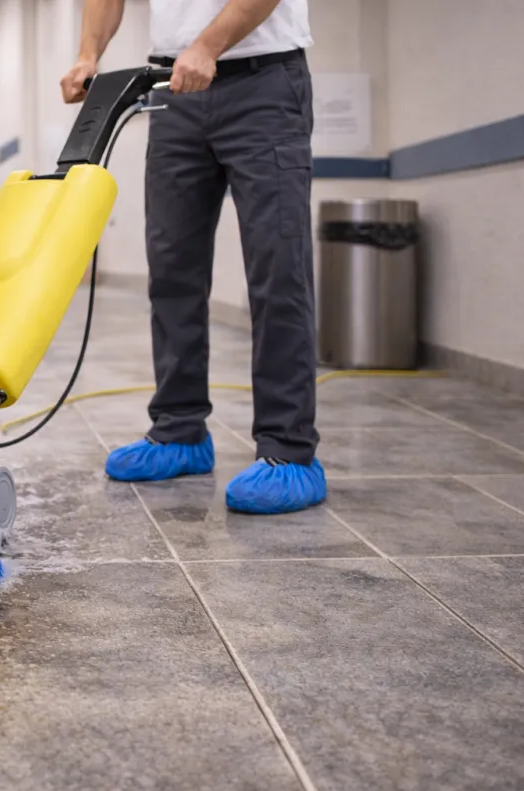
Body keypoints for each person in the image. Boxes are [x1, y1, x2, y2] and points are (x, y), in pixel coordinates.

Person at [61, 0, 326, 514]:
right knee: (171, 269)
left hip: (265, 82)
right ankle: (179, 432)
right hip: (174, 91)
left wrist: (207, 45)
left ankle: (289, 450)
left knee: (278, 270)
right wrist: (88, 53)